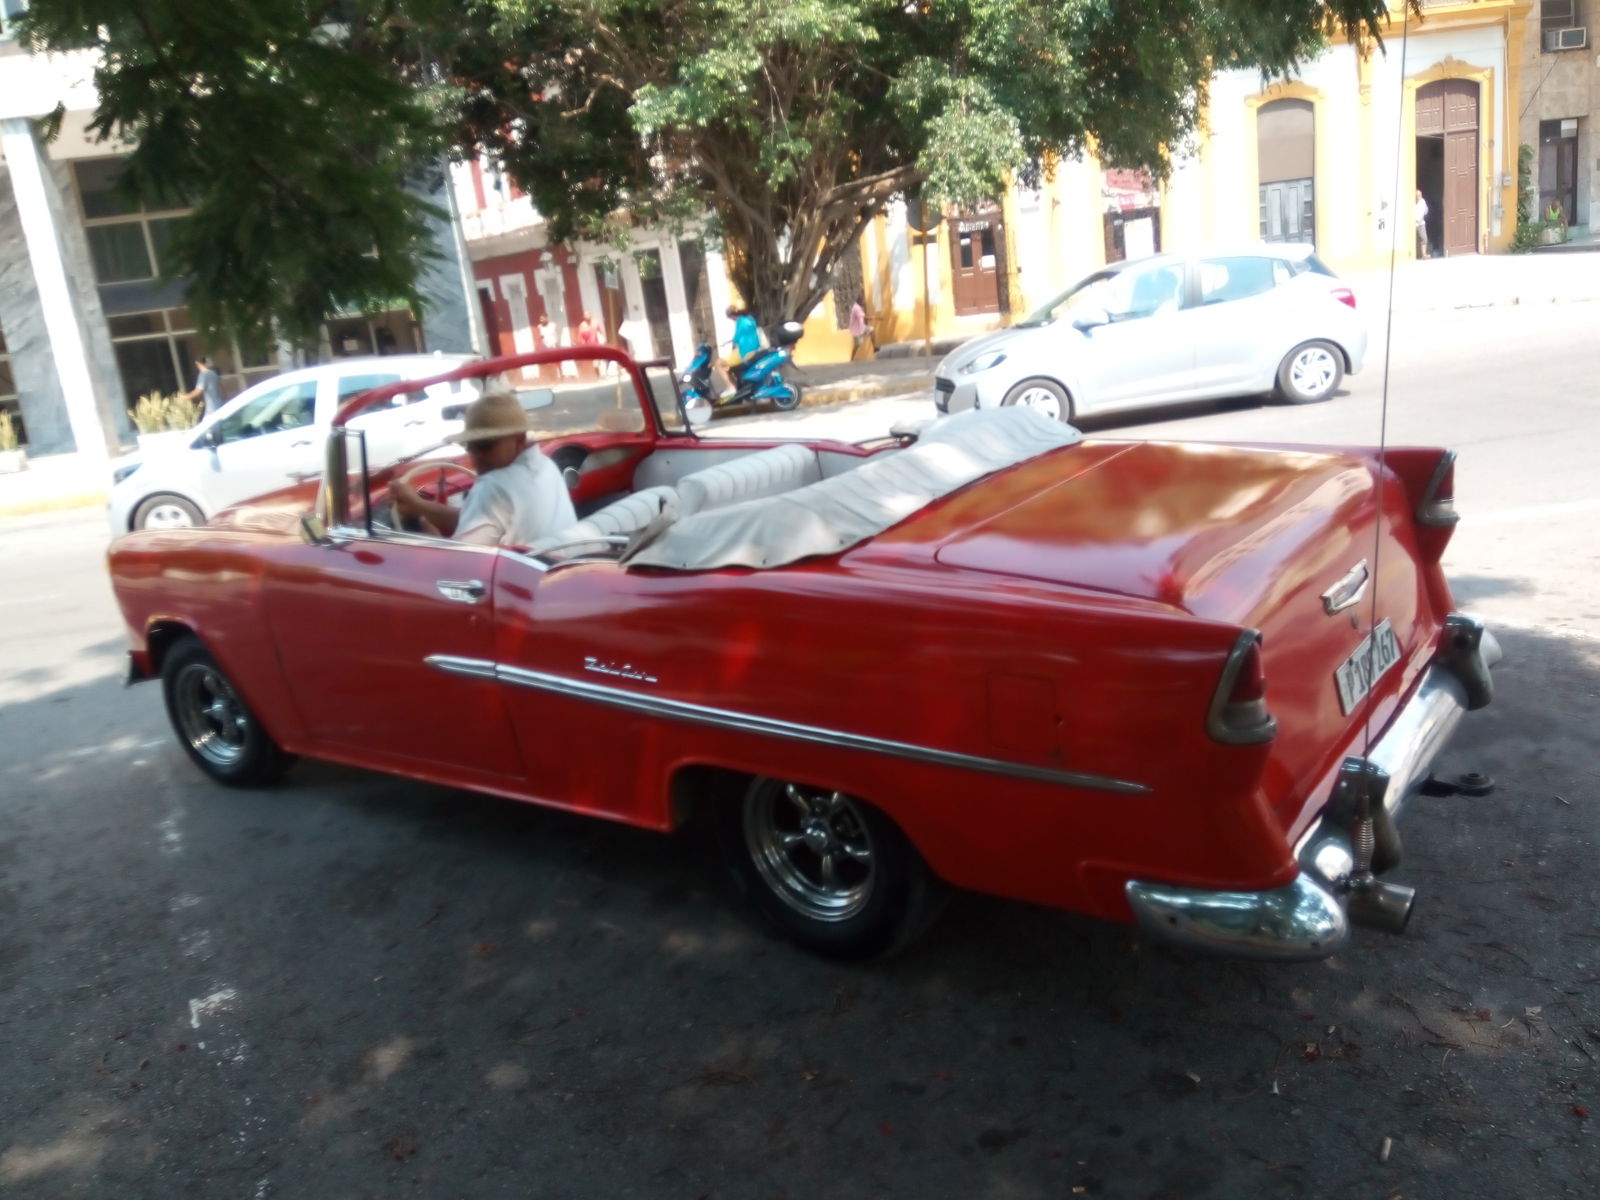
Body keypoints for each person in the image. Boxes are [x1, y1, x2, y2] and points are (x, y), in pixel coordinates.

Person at [389, 390, 576, 547]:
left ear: (518, 440)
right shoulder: (546, 465)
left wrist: (432, 537)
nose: (476, 455)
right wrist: (419, 507)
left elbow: (461, 565)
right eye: (470, 446)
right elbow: (486, 522)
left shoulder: (493, 486)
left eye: (485, 445)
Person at [1415, 189, 1430, 259]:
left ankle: (1424, 254)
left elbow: (1426, 209)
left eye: (1420, 195)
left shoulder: (1422, 201)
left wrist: (1426, 210)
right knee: (1416, 240)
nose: (1419, 196)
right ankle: (1417, 255)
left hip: (1421, 223)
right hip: (1413, 224)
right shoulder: (1412, 202)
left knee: (1424, 239)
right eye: (1417, 195)